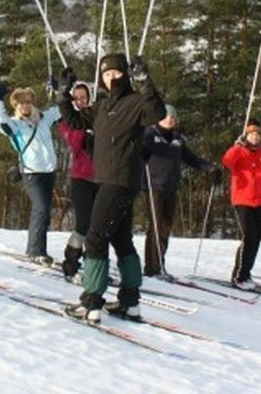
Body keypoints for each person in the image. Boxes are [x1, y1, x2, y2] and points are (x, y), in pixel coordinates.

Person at [57, 53, 167, 323]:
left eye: (116, 73)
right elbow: (73, 120)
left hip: (121, 179)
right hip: (107, 179)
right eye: (106, 74)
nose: (111, 78)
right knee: (121, 239)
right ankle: (130, 304)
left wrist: (144, 81)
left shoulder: (136, 101)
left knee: (95, 237)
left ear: (125, 75)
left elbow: (157, 112)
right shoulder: (102, 107)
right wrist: (63, 93)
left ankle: (91, 302)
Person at [142, 104, 221, 280]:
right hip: (154, 185)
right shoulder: (150, 134)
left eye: (173, 117)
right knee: (155, 226)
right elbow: (138, 151)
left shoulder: (177, 139)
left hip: (171, 186)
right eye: (166, 116)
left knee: (165, 226)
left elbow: (191, 158)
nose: (170, 119)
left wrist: (209, 168)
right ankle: (151, 267)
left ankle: (160, 264)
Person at [0, 81, 61, 266]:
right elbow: (0, 121)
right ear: (16, 106)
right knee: (41, 208)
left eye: (28, 101)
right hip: (31, 174)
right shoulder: (15, 125)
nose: (25, 105)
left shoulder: (44, 118)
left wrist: (61, 89)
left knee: (45, 212)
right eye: (21, 103)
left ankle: (41, 249)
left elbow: (60, 109)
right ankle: (34, 251)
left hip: (48, 172)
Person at [221, 119, 261, 290]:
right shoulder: (240, 150)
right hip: (242, 200)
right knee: (248, 238)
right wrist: (237, 146)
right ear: (246, 135)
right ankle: (238, 276)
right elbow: (227, 161)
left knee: (255, 240)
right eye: (251, 134)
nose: (255, 137)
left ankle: (246, 274)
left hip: (259, 201)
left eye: (257, 134)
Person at [58, 81, 97, 280]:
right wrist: (85, 129)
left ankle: (93, 264)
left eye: (84, 97)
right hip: (81, 178)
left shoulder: (97, 115)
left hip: (101, 178)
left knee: (97, 226)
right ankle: (71, 259)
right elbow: (73, 143)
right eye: (77, 98)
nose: (81, 101)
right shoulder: (68, 121)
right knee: (83, 223)